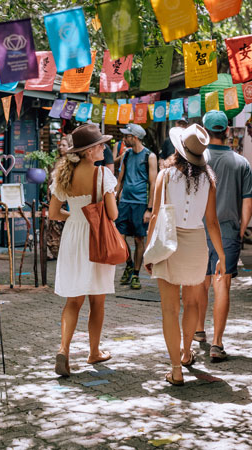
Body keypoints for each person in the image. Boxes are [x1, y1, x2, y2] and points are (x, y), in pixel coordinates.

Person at [145, 124, 226, 386]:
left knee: (170, 308)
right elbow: (212, 222)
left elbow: (155, 215)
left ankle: (176, 369)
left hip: (169, 241)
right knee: (192, 304)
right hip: (196, 243)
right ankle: (187, 352)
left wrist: (148, 251)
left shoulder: (165, 175)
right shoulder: (209, 179)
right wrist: (222, 256)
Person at [49, 124, 119, 377]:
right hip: (96, 238)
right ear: (89, 152)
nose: (104, 148)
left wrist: (76, 215)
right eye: (100, 145)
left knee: (73, 299)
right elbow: (112, 214)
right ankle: (94, 351)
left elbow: (54, 213)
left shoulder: (64, 175)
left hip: (73, 236)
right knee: (97, 300)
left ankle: (64, 350)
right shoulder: (103, 176)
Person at [195, 110, 252, 361]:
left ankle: (199, 331)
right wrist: (240, 231)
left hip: (198, 228)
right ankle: (217, 344)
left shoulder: (196, 159)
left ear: (206, 133)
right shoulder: (241, 162)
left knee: (201, 281)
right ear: (227, 132)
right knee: (222, 284)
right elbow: (248, 203)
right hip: (228, 230)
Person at [116, 123, 158, 290]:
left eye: (126, 136)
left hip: (140, 203)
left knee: (139, 239)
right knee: (119, 237)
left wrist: (149, 209)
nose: (124, 139)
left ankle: (135, 273)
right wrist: (114, 197)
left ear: (134, 137)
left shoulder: (150, 156)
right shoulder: (126, 155)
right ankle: (129, 263)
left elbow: (153, 183)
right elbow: (120, 179)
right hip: (125, 202)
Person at [46, 135, 73, 260]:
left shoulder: (72, 164)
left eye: (64, 145)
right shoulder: (56, 162)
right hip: (54, 198)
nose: (61, 147)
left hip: (65, 200)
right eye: (60, 145)